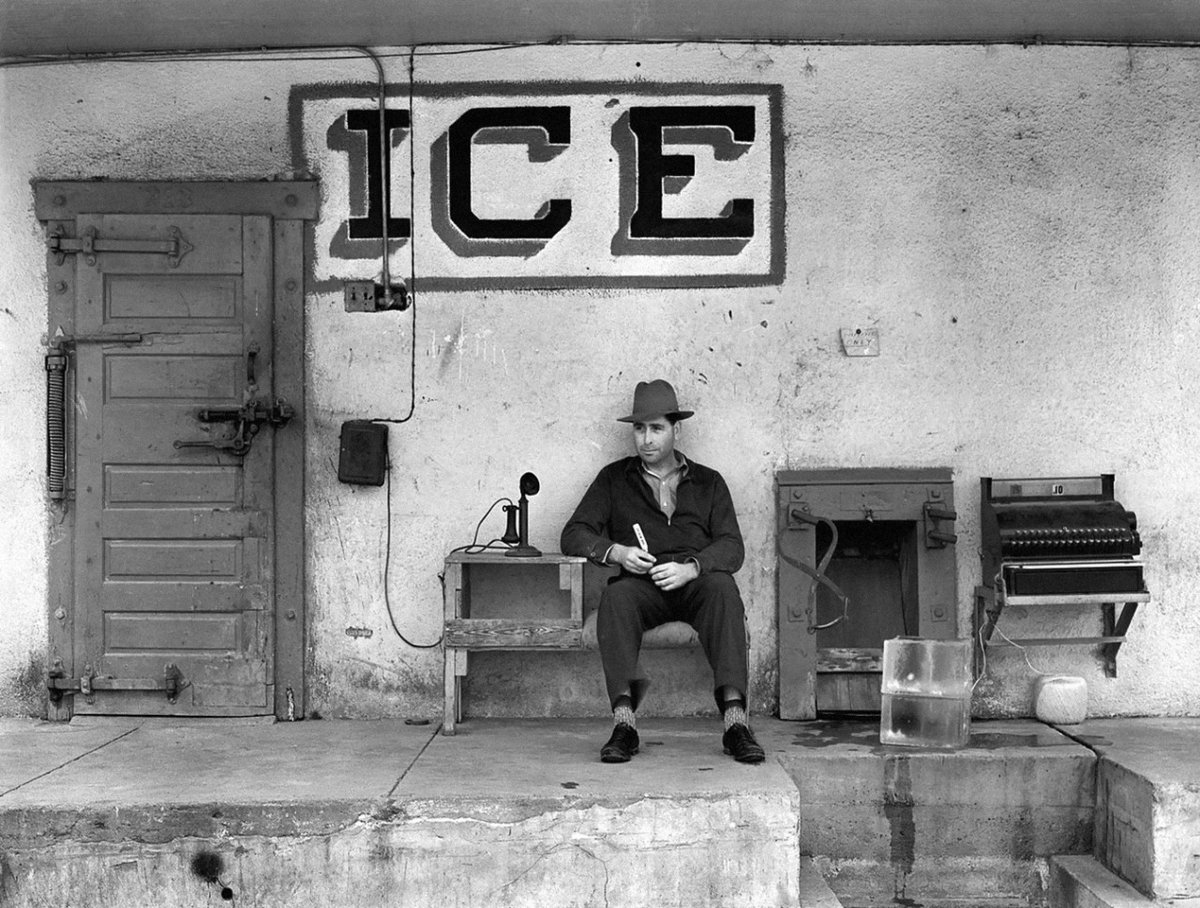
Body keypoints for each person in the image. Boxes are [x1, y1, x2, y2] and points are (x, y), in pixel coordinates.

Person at [560, 379, 765, 765]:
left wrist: (692, 568)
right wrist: (617, 552)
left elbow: (732, 547)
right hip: (642, 587)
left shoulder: (709, 482)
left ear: (676, 429)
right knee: (616, 596)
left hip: (696, 584)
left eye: (657, 428)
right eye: (639, 429)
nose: (646, 439)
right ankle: (624, 724)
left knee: (723, 588)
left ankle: (736, 722)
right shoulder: (614, 479)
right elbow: (573, 534)